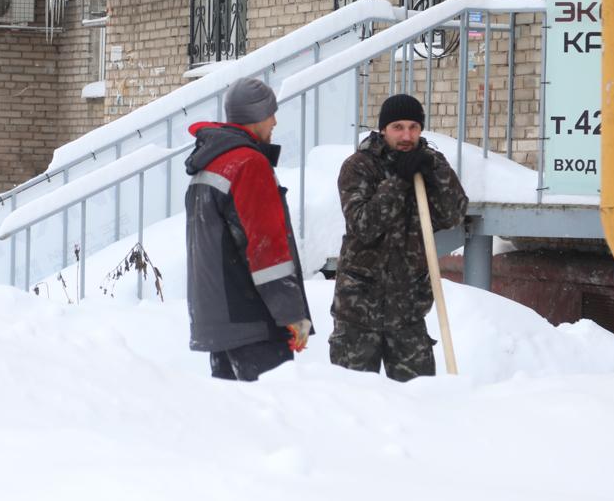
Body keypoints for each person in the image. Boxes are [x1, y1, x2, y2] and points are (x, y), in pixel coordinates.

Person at [330, 93, 468, 382]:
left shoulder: (430, 163)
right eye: (398, 127)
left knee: (419, 402)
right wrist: (399, 182)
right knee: (352, 401)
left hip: (408, 310)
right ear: (383, 129)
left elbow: (452, 214)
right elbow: (364, 225)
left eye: (414, 127)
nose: (407, 135)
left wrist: (435, 175)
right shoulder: (359, 166)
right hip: (359, 310)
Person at [184, 77, 314, 381]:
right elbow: (266, 250)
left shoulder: (209, 162)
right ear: (256, 116)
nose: (275, 121)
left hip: (220, 322)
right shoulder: (249, 164)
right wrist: (292, 316)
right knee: (269, 420)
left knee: (234, 424)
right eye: (271, 113)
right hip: (254, 321)